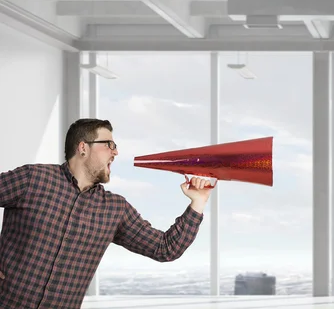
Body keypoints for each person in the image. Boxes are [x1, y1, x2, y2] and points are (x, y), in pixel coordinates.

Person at [0, 118, 213, 309]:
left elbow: (165, 248)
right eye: (109, 144)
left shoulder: (115, 210)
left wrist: (198, 202)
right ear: (83, 147)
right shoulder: (34, 179)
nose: (116, 152)